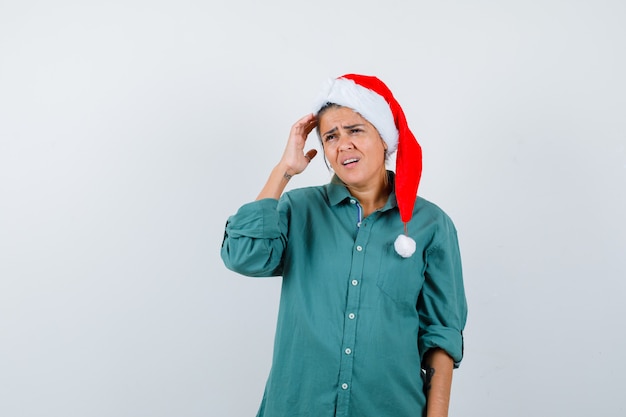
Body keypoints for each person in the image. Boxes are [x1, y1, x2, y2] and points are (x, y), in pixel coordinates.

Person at [221, 74, 467, 417]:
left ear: (383, 138)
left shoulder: (431, 225)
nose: (343, 145)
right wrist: (284, 170)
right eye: (331, 137)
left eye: (356, 130)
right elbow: (242, 256)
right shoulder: (297, 209)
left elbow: (441, 334)